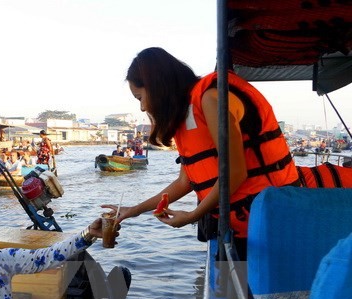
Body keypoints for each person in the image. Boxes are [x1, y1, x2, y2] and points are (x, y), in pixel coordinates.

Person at [104, 47, 300, 258]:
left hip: (270, 219)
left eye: (140, 97)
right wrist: (133, 210)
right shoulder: (187, 113)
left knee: (252, 287)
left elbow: (235, 173)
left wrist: (192, 215)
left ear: (157, 86)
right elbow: (183, 182)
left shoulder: (210, 98)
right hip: (242, 225)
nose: (142, 107)